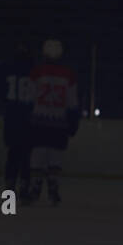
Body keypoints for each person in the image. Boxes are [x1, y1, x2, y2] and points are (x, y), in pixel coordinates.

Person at [23, 39, 79, 205]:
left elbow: (29, 98)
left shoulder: (37, 72)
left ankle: (35, 188)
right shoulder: (69, 74)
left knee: (38, 155)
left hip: (39, 120)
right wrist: (73, 121)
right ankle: (53, 189)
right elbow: (72, 102)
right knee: (55, 156)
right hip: (59, 121)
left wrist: (26, 118)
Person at [0, 41, 35, 194]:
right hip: (28, 117)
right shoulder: (33, 71)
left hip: (12, 116)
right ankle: (24, 188)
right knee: (26, 155)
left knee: (12, 154)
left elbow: (1, 94)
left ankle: (10, 191)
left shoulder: (7, 70)